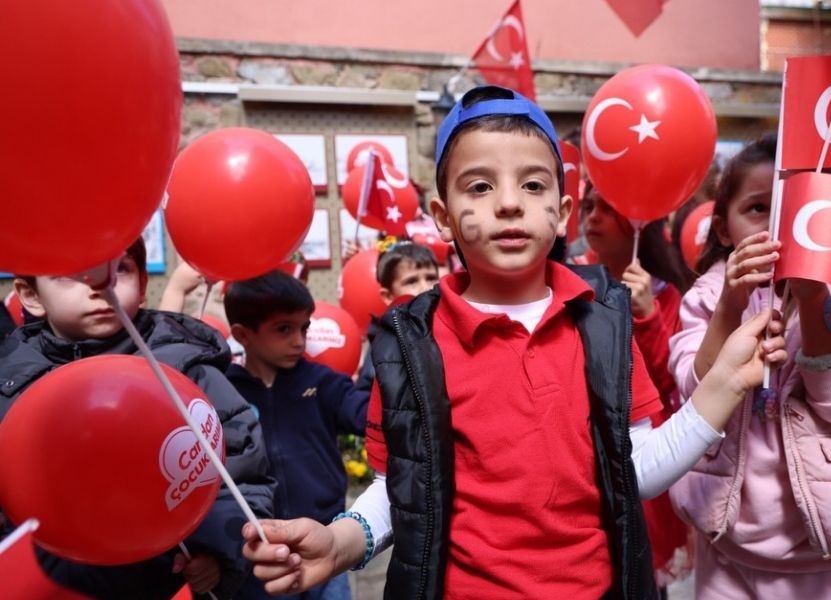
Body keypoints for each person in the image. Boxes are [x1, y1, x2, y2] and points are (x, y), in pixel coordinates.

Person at [240, 86, 788, 599]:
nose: (508, 203)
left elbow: (636, 469)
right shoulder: (408, 344)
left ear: (563, 214)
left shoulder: (604, 325)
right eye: (479, 186)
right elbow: (399, 491)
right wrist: (339, 544)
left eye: (532, 185)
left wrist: (726, 383)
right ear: (444, 217)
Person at [667, 134, 831, 599]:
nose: (780, 226)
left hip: (828, 552)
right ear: (723, 229)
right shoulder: (706, 296)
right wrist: (729, 306)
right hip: (728, 548)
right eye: (759, 208)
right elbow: (698, 394)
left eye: (803, 210)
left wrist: (816, 299)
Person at [0, 238, 275, 599]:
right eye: (69, 275)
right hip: (58, 585)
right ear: (30, 295)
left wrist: (217, 551)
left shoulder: (184, 367)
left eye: (121, 270)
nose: (99, 288)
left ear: (144, 284)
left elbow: (242, 471)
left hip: (169, 582)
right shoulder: (12, 383)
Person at [224, 270, 369, 600]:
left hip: (326, 539)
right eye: (283, 329)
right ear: (242, 334)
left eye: (304, 327)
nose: (299, 341)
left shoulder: (323, 382)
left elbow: (368, 415)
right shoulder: (223, 392)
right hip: (258, 556)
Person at [580, 183, 695, 586]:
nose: (591, 216)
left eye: (606, 208)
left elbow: (670, 380)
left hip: (636, 448)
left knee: (637, 568)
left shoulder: (664, 293)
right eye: (587, 205)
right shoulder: (566, 278)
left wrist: (646, 316)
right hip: (579, 446)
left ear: (639, 224)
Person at [352, 239, 440, 398]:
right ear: (388, 296)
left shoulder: (451, 327)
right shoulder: (382, 343)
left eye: (431, 278)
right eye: (412, 281)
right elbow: (366, 396)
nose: (426, 288)